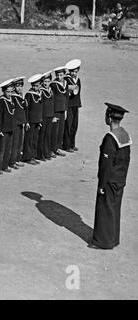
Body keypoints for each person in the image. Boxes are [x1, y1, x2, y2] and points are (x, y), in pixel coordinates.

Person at [89, 103, 132, 250]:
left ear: (108, 117)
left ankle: (102, 241)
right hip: (120, 179)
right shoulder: (124, 134)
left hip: (109, 180)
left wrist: (101, 185)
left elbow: (106, 165)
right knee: (114, 209)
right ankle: (113, 239)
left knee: (105, 210)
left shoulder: (110, 138)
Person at [0, 79, 16, 173]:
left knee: (8, 149)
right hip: (3, 129)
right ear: (3, 92)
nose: (10, 94)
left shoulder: (11, 100)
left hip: (10, 128)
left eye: (11, 91)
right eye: (8, 92)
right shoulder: (1, 102)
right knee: (1, 150)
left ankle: (5, 165)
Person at [22, 74, 43, 165]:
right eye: (33, 86)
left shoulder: (40, 94)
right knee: (29, 140)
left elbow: (40, 108)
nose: (35, 87)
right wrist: (26, 121)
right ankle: (27, 157)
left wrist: (40, 120)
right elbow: (26, 109)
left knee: (35, 139)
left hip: (37, 120)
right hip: (30, 121)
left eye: (37, 86)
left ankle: (33, 156)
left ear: (40, 85)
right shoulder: (29, 95)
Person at [50, 66, 69, 157]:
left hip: (62, 110)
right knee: (55, 131)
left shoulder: (66, 83)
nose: (59, 77)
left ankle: (58, 148)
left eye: (61, 75)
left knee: (61, 130)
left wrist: (65, 110)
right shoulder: (54, 85)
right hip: (56, 111)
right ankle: (52, 149)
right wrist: (53, 114)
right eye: (58, 75)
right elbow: (52, 99)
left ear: (64, 74)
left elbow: (67, 98)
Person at [64, 59, 82, 153]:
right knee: (68, 125)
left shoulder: (78, 79)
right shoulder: (66, 79)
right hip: (69, 105)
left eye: (75, 71)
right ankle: (66, 145)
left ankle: (72, 143)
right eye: (72, 72)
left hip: (76, 105)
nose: (74, 73)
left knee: (74, 125)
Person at [38, 71, 55, 161]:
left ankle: (47, 152)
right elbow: (40, 106)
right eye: (45, 82)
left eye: (48, 81)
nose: (46, 83)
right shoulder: (41, 92)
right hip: (43, 116)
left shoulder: (51, 91)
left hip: (50, 116)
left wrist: (52, 116)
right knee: (42, 135)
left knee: (48, 135)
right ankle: (40, 154)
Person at [10, 77, 27, 169]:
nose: (19, 88)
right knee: (15, 143)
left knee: (19, 142)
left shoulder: (20, 95)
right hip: (15, 123)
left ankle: (17, 159)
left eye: (21, 86)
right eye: (17, 86)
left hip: (20, 122)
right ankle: (12, 161)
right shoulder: (13, 97)